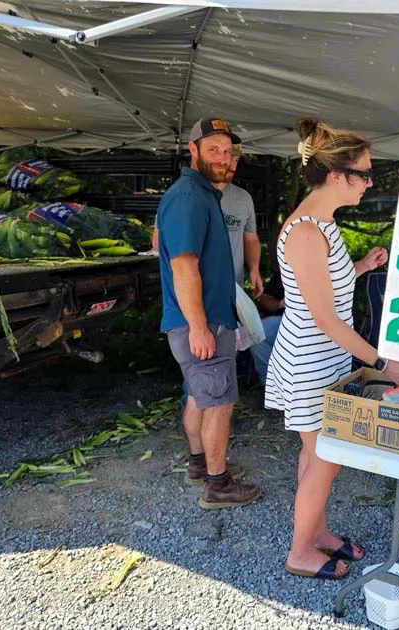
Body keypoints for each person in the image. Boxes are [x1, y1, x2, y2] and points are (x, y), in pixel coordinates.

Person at [265, 118, 399, 579]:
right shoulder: (306, 232)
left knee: (317, 455)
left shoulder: (323, 223)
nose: (369, 183)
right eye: (364, 174)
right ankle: (300, 552)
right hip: (310, 361)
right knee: (328, 457)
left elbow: (323, 291)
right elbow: (325, 317)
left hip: (323, 357)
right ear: (336, 176)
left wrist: (360, 265)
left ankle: (318, 535)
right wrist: (384, 363)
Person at [156, 116, 261, 510]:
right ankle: (218, 484)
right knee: (219, 401)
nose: (222, 157)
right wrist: (199, 327)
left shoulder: (202, 195)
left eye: (227, 151)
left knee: (201, 397)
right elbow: (183, 266)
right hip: (201, 322)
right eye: (213, 149)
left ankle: (199, 464)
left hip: (201, 320)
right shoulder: (189, 197)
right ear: (193, 151)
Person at [217, 144, 263, 297]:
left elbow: (251, 238)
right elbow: (158, 241)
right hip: (195, 291)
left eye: (237, 160)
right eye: (231, 159)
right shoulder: (187, 195)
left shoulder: (243, 198)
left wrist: (254, 268)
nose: (234, 166)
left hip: (234, 290)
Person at [250, 268, 285, 385]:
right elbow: (264, 298)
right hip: (283, 319)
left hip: (312, 323)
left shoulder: (324, 269)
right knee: (257, 334)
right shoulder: (287, 270)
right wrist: (280, 304)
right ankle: (270, 383)